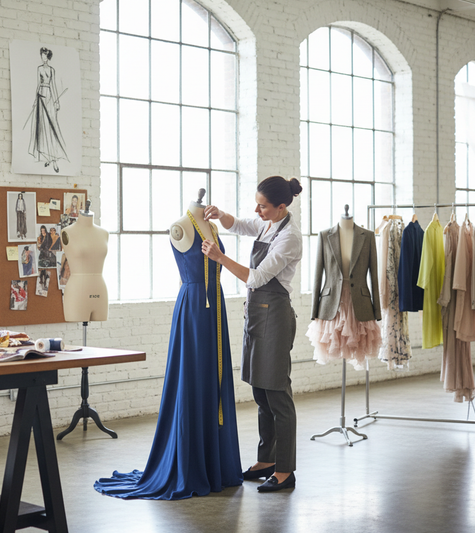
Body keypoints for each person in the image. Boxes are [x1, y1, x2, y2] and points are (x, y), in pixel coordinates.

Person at [94, 194, 241, 499]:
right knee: (192, 378)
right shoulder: (180, 227)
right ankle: (190, 465)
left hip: (215, 307)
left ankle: (217, 465)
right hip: (194, 308)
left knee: (214, 379)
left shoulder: (213, 227)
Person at [201, 176, 303, 493]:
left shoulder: (290, 237)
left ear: (281, 207)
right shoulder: (267, 223)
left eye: (263, 206)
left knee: (277, 394)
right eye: (257, 204)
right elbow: (240, 225)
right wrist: (221, 215)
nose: (257, 211)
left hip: (275, 317)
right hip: (257, 315)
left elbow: (256, 278)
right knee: (260, 392)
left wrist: (220, 258)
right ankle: (266, 459)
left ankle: (285, 470)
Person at [27, 47, 68, 173]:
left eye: (45, 55)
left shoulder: (51, 70)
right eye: (42, 55)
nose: (43, 57)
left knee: (51, 126)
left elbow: (53, 86)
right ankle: (47, 157)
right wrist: (35, 100)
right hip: (41, 97)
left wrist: (56, 101)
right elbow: (38, 84)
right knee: (42, 127)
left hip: (49, 96)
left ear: (48, 56)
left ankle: (54, 158)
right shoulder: (39, 68)